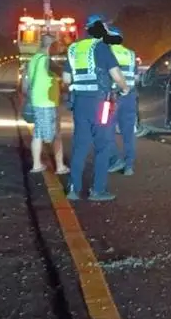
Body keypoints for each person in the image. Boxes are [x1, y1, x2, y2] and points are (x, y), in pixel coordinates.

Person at [62, 14, 130, 202]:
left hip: (80, 103)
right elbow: (115, 74)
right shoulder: (101, 47)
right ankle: (97, 190)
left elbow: (67, 79)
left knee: (80, 146)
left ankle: (73, 189)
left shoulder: (74, 49)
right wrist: (125, 88)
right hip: (101, 104)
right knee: (103, 145)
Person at [27, 34, 68, 174]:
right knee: (55, 134)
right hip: (47, 102)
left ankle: (37, 164)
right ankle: (60, 166)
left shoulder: (34, 59)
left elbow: (28, 81)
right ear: (51, 45)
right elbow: (64, 74)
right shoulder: (46, 60)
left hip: (37, 100)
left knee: (38, 132)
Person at [103, 25, 138, 177]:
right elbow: (135, 76)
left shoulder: (106, 52)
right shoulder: (131, 54)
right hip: (129, 96)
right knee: (128, 133)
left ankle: (115, 159)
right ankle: (129, 165)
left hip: (111, 97)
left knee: (105, 129)